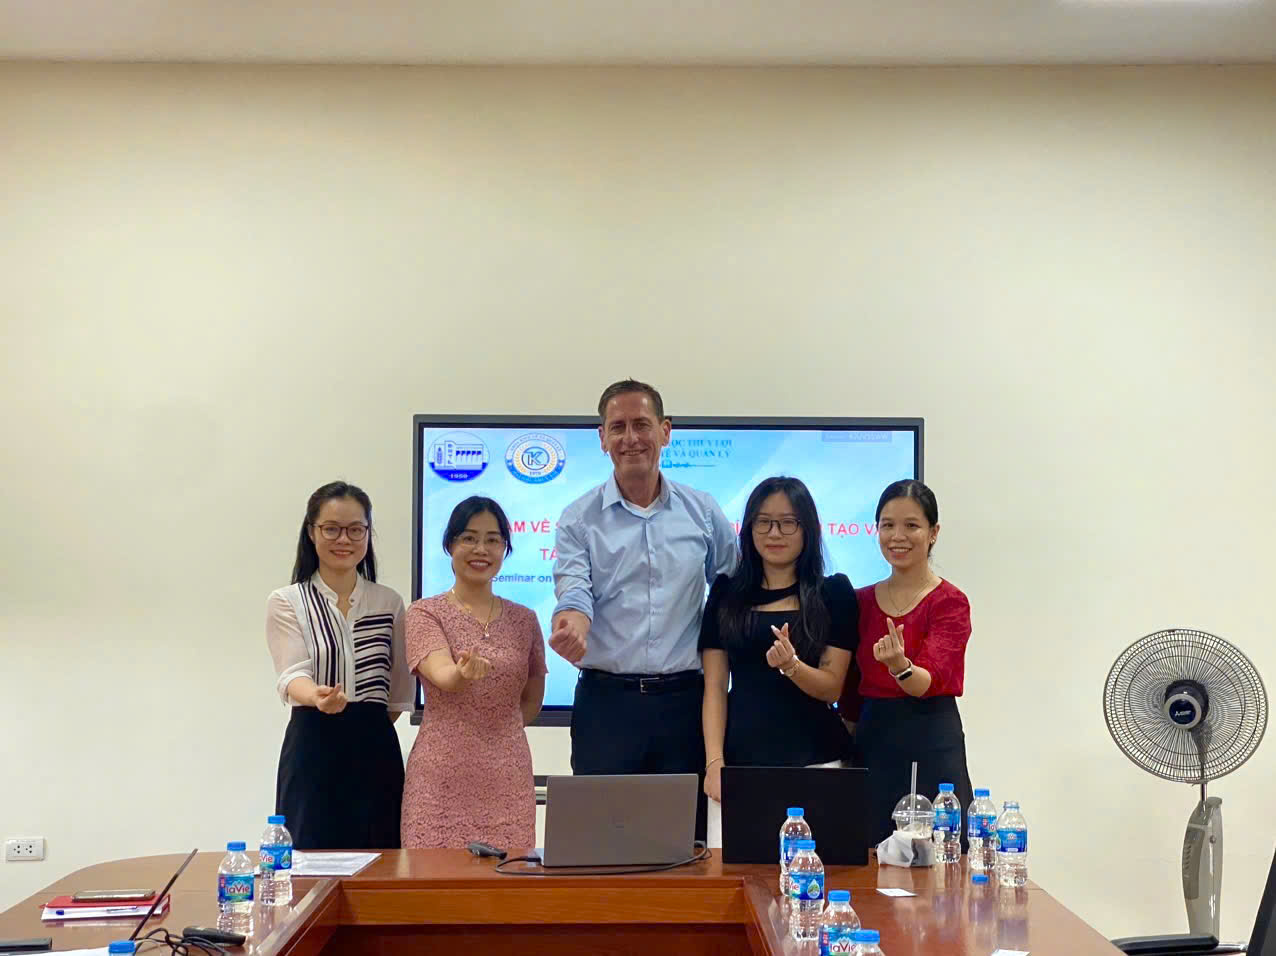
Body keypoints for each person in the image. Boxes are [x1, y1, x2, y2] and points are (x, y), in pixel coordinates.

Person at [550, 379, 739, 839]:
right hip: (606, 706)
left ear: (665, 431)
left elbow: (735, 590)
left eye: (641, 424)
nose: (630, 438)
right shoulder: (578, 518)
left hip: (683, 705)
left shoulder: (702, 512)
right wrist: (572, 624)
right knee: (599, 845)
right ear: (602, 438)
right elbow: (574, 591)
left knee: (682, 844)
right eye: (618, 427)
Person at [699, 476, 856, 846]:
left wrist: (792, 666)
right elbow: (715, 688)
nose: (774, 533)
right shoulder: (726, 593)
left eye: (788, 522)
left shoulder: (833, 593)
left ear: (807, 529)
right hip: (739, 764)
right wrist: (714, 763)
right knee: (730, 874)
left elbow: (832, 687)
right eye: (764, 522)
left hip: (817, 761)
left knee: (814, 872)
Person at [266, 481, 412, 850]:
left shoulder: (389, 603)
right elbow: (291, 674)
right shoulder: (288, 601)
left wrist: (362, 725)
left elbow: (397, 692)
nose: (344, 539)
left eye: (355, 529)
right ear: (311, 532)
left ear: (368, 533)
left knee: (381, 859)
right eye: (331, 529)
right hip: (312, 744)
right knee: (309, 860)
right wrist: (317, 697)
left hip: (375, 749)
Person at [401, 496, 546, 849]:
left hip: (508, 779)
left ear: (504, 549)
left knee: (509, 876)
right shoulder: (424, 613)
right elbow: (443, 675)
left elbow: (532, 699)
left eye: (493, 540)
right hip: (439, 779)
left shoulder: (525, 619)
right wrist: (462, 674)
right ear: (450, 544)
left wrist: (500, 732)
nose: (481, 549)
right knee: (432, 878)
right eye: (469, 538)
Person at [838, 479, 975, 848]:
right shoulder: (860, 601)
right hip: (873, 739)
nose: (897, 536)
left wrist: (900, 666)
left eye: (911, 525)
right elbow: (850, 692)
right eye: (887, 525)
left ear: (933, 533)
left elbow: (928, 680)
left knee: (939, 857)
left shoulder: (949, 601)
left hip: (931, 736)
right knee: (867, 855)